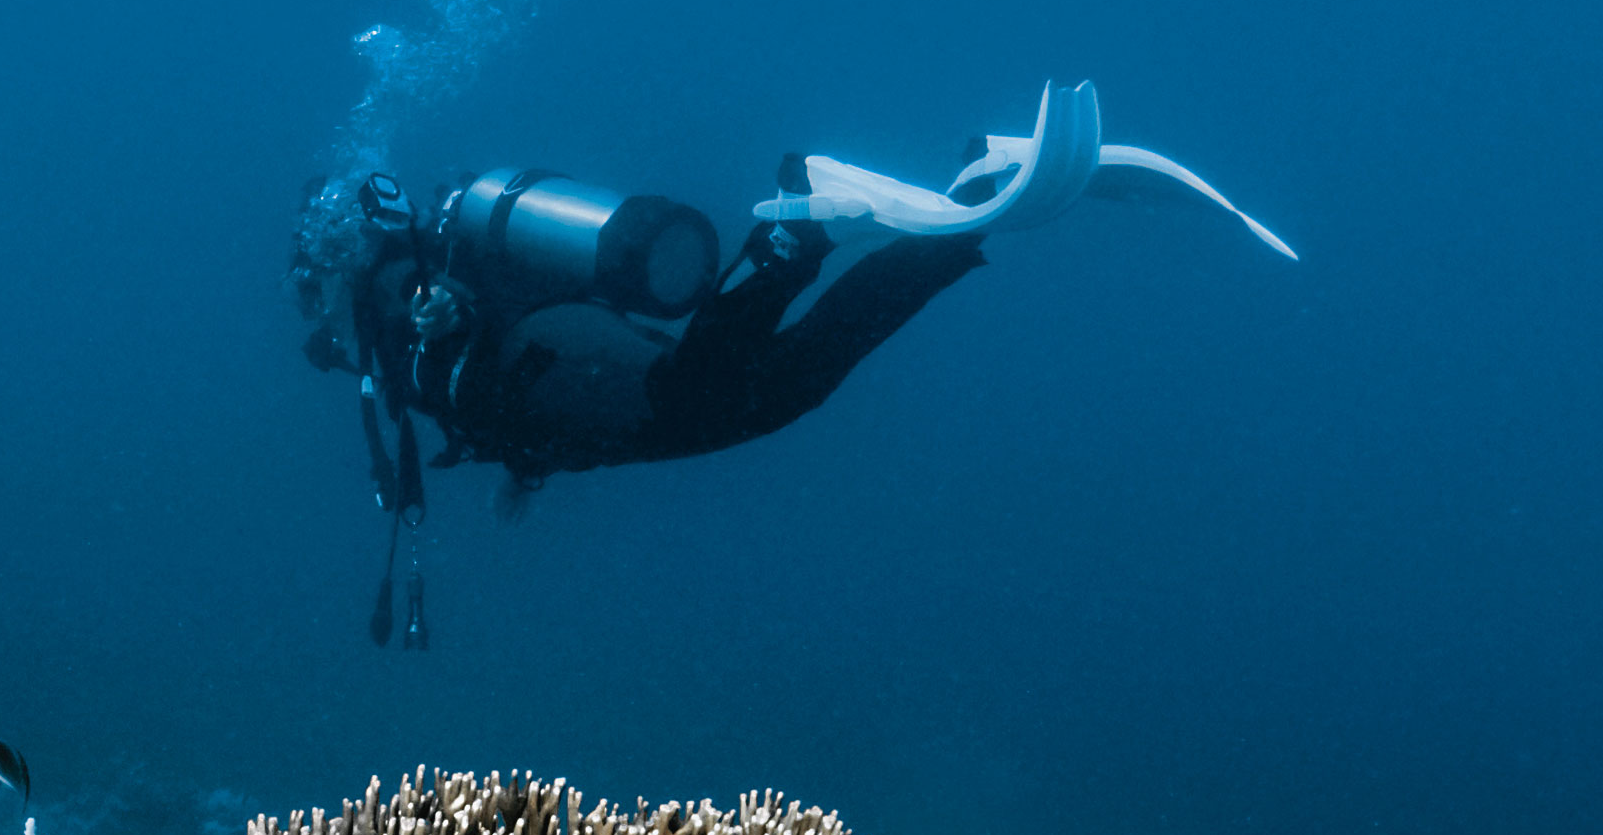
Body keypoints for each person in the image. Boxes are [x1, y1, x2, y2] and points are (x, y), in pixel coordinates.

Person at [291, 80, 1293, 647]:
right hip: (572, 388)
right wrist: (528, 466)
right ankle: (960, 208)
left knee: (710, 395)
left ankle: (795, 224)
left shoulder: (387, 317)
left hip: (585, 379)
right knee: (788, 385)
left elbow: (473, 347)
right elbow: (486, 375)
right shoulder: (395, 316)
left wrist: (449, 359)